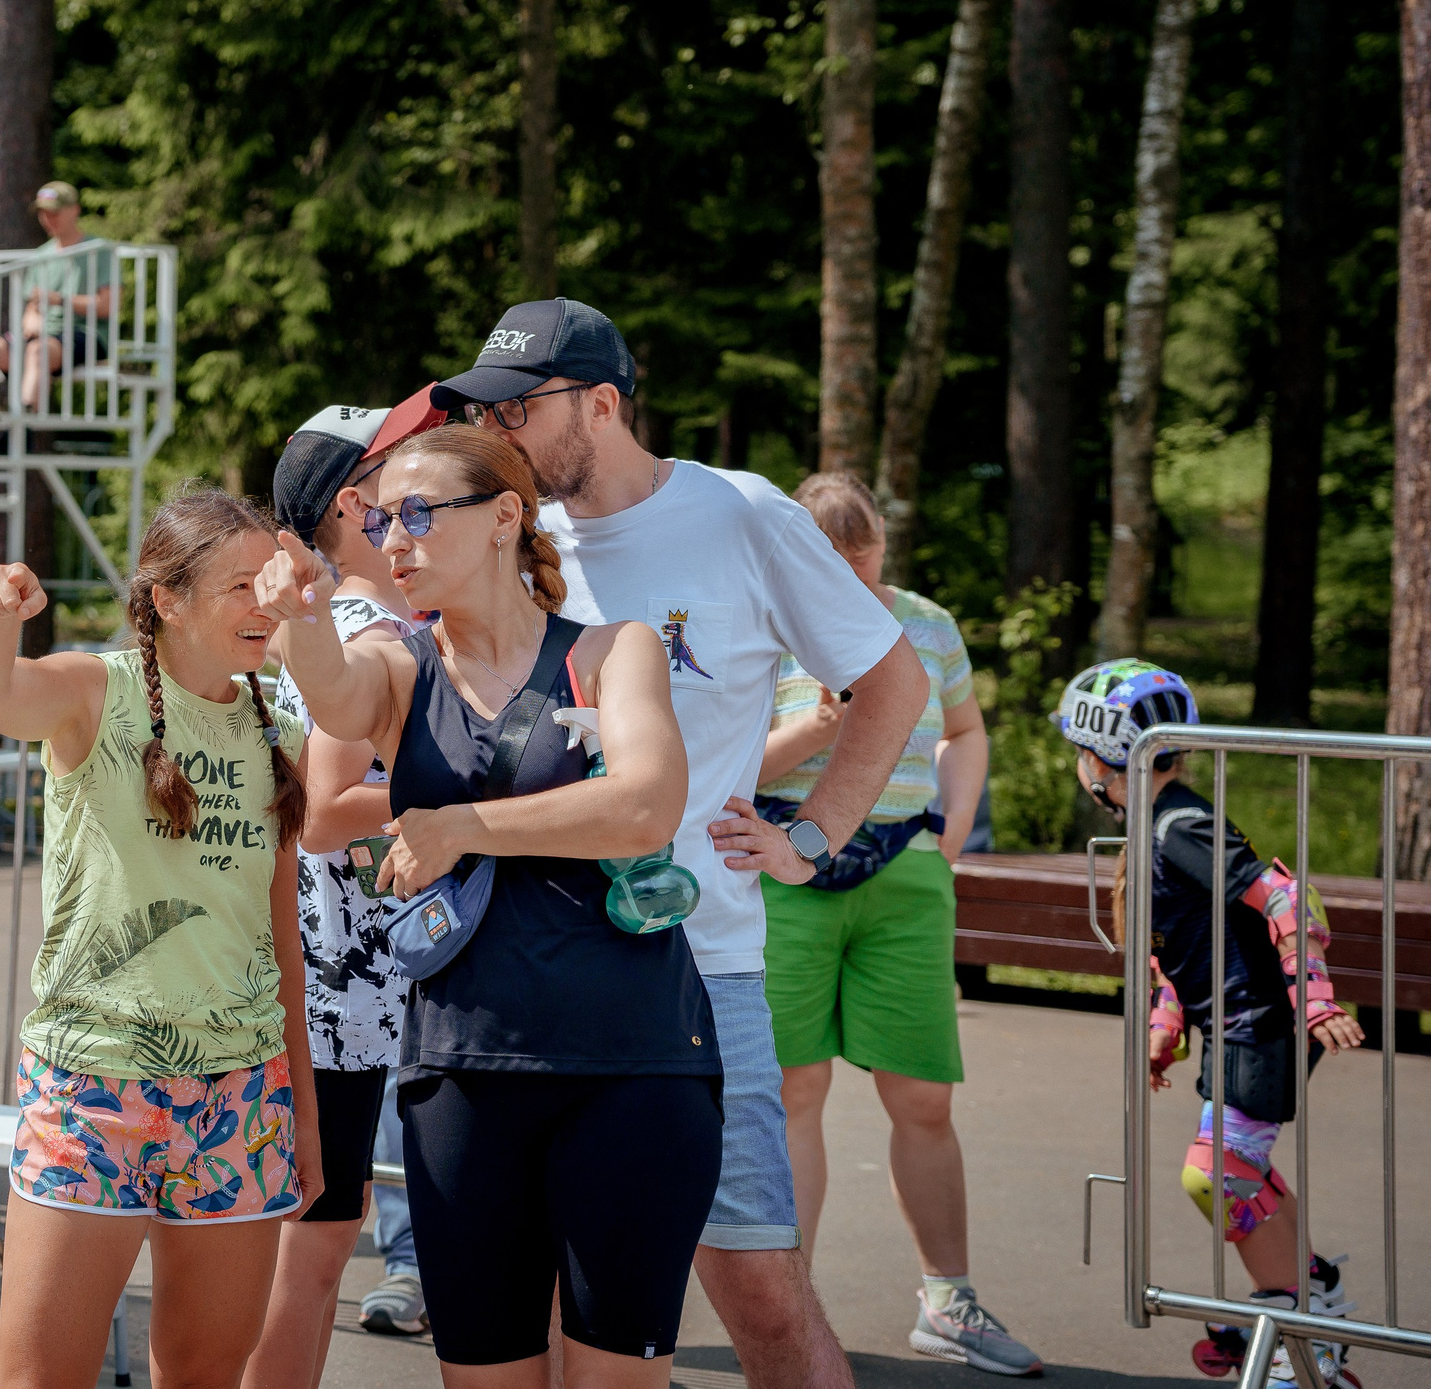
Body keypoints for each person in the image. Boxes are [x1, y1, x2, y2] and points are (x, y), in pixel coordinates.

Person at [443, 297, 930, 1389]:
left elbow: (893, 679)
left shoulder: (741, 515)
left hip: (700, 969)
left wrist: (813, 835)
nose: (498, 432)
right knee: (576, 1297)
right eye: (488, 412)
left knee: (757, 1287)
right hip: (531, 971)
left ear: (602, 404)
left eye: (517, 408)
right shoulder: (507, 531)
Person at [262, 424, 718, 1389]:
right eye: (381, 518)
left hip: (630, 1065)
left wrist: (460, 824)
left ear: (506, 515)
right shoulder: (396, 659)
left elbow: (646, 805)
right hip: (461, 1074)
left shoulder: (614, 648)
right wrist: (299, 615)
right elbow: (338, 706)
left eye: (420, 513)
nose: (393, 539)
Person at [0, 487, 318, 1389]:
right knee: (41, 1375)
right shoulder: (94, 691)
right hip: (92, 1085)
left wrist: (301, 1112)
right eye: (238, 586)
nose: (261, 607)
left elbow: (283, 944)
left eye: (265, 585)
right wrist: (1, 613)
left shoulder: (281, 729)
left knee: (204, 1372)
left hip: (240, 1094)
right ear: (168, 599)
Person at [751, 475, 1038, 1375]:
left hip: (905, 870)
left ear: (881, 546)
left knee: (923, 1095)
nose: (850, 573)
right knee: (794, 1092)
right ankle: (792, 1308)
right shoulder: (765, 618)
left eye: (863, 556)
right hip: (789, 866)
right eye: (831, 558)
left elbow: (964, 729)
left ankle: (949, 1299)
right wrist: (817, 729)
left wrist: (951, 834)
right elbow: (733, 756)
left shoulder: (926, 621)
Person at [1065, 660, 1364, 1388]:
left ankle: (1300, 1331)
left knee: (1218, 1177)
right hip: (1234, 1025)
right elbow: (1187, 945)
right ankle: (1311, 1289)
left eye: (1078, 752)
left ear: (1102, 760)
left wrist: (1315, 998)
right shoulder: (1160, 824)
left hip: (1260, 1025)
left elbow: (1284, 899)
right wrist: (1165, 1031)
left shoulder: (1179, 828)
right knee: (1241, 1169)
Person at [244, 393, 442, 1387]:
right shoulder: (366, 622)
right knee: (316, 1239)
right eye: (402, 477)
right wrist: (476, 783)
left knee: (313, 1232)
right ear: (353, 502)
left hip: (328, 977)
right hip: (336, 982)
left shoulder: (338, 617)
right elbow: (325, 808)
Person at [0, 180, 121, 412]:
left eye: (54, 212)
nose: (48, 219)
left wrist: (61, 300)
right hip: (44, 338)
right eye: (43, 213)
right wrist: (31, 319)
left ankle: (23, 421)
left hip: (85, 334)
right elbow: (32, 307)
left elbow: (108, 305)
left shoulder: (98, 250)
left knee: (38, 351)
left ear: (74, 210)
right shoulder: (41, 255)